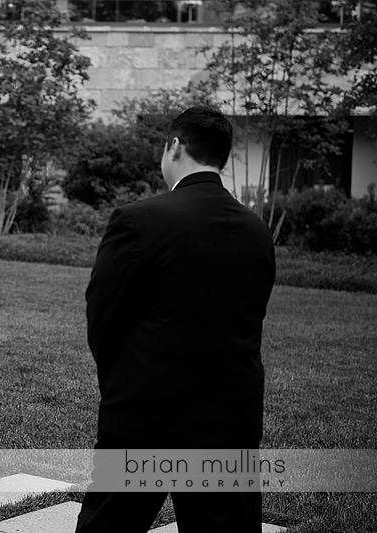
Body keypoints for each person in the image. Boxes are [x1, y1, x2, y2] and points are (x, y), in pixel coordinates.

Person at [76, 106, 276, 532]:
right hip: (230, 421)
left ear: (174, 146)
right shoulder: (256, 231)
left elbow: (103, 319)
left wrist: (122, 386)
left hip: (146, 415)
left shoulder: (138, 220)